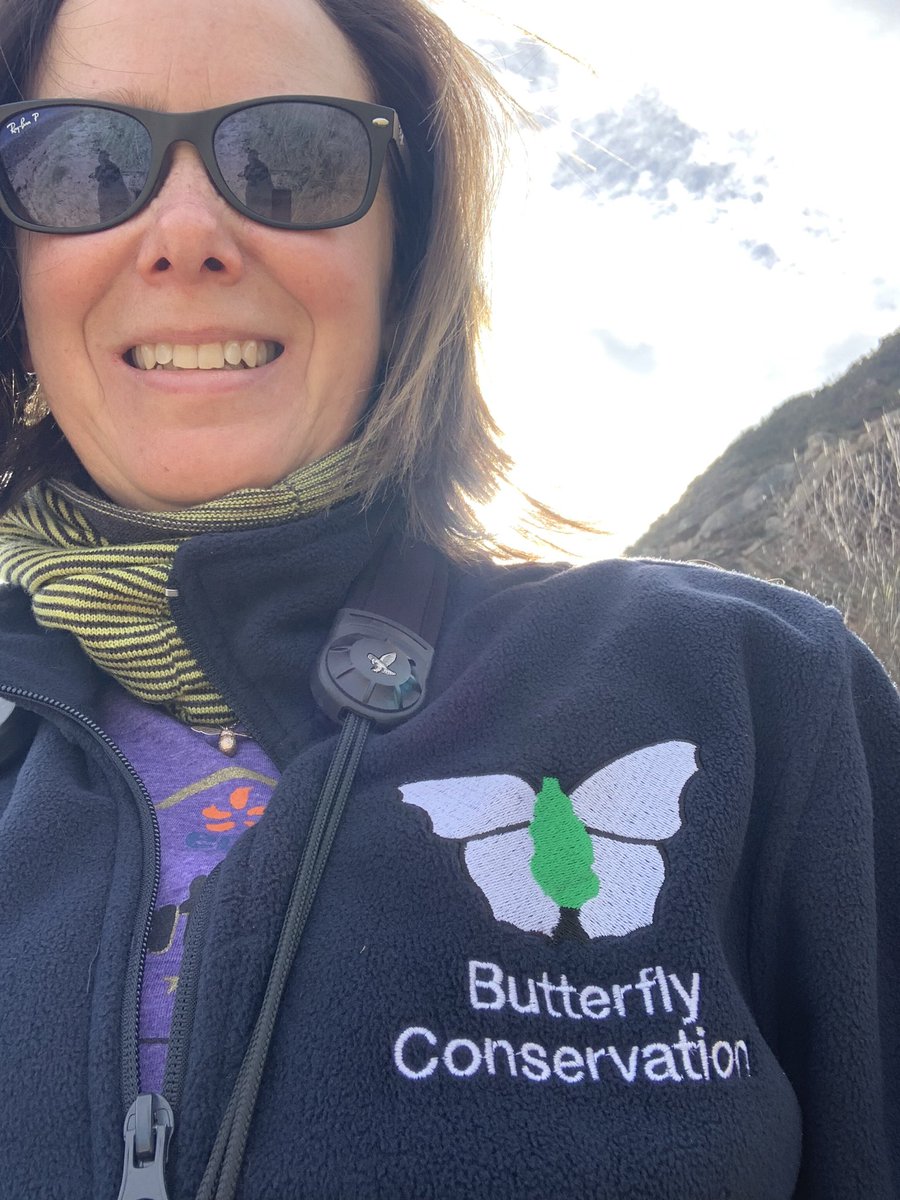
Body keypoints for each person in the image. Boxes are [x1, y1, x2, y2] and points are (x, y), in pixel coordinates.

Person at [0, 0, 897, 1197]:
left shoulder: (756, 692)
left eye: (293, 155)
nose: (184, 232)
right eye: (81, 160)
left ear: (406, 247)